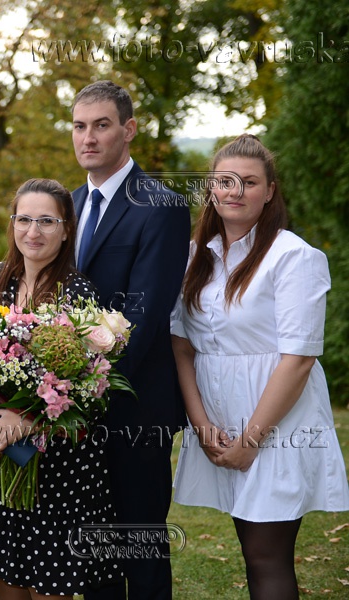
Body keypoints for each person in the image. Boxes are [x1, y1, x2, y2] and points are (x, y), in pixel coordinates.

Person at [171, 134, 349, 599]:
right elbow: (182, 345)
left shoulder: (293, 256)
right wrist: (201, 424)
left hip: (276, 421)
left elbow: (299, 358)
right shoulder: (195, 256)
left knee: (267, 555)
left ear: (269, 191)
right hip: (218, 419)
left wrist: (251, 440)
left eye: (249, 182)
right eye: (224, 181)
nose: (235, 191)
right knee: (252, 549)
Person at [0, 178, 123, 598]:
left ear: (66, 229)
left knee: (48, 583)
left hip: (52, 469)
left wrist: (23, 421)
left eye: (46, 221)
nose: (33, 231)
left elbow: (88, 388)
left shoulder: (77, 294)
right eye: (24, 219)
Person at [70, 80, 191, 600]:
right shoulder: (68, 203)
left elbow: (146, 313)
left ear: (129, 129)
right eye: (80, 126)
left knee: (140, 550)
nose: (89, 137)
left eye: (102, 125)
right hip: (70, 411)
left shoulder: (161, 205)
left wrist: (85, 388)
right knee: (94, 555)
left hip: (135, 407)